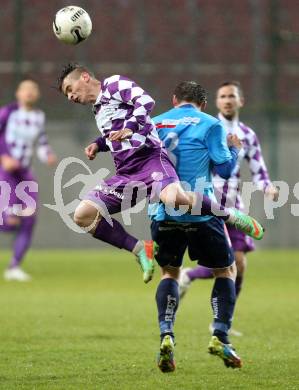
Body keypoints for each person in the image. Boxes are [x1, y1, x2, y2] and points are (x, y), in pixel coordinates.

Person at [57, 63, 264, 285]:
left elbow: (146, 102)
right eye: (66, 93)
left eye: (70, 88)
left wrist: (131, 127)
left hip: (150, 160)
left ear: (85, 77)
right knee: (83, 215)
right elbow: (116, 133)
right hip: (127, 172)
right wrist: (99, 144)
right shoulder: (98, 108)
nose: (70, 96)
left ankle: (231, 216)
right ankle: (140, 249)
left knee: (176, 199)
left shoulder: (113, 84)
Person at [149, 81, 244, 372]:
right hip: (202, 212)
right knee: (227, 270)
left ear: (174, 99)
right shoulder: (211, 123)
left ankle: (167, 335)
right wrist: (234, 149)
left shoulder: (153, 124)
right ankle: (220, 335)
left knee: (169, 273)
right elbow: (225, 170)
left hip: (163, 212)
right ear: (202, 104)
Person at [178, 81, 278, 335]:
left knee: (239, 264)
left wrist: (267, 187)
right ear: (217, 101)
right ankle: (216, 315)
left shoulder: (247, 134)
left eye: (232, 96)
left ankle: (220, 316)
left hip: (234, 206)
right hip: (206, 202)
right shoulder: (207, 127)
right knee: (226, 262)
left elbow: (258, 170)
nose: (227, 100)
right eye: (222, 96)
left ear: (240, 101)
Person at [0, 79, 57, 281]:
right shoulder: (8, 113)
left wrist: (47, 155)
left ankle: (14, 266)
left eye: (34, 89)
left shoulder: (39, 117)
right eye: (25, 89)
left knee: (29, 218)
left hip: (25, 173)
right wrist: (3, 156)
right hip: (5, 172)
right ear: (17, 93)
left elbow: (41, 142)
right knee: (9, 221)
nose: (30, 92)